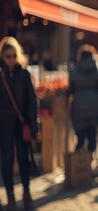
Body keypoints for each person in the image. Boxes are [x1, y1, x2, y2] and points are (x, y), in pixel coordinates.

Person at [0, 37, 39, 210]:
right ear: (2, 56)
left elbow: (32, 101)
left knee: (24, 158)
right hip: (4, 123)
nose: (11, 59)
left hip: (22, 121)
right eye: (7, 56)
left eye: (13, 55)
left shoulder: (23, 73)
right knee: (6, 159)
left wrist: (34, 126)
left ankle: (26, 192)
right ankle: (10, 196)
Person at [68, 45, 98, 153]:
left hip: (78, 107)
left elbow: (70, 90)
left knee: (80, 136)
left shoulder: (74, 71)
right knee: (92, 134)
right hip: (95, 106)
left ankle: (78, 162)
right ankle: (89, 160)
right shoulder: (97, 70)